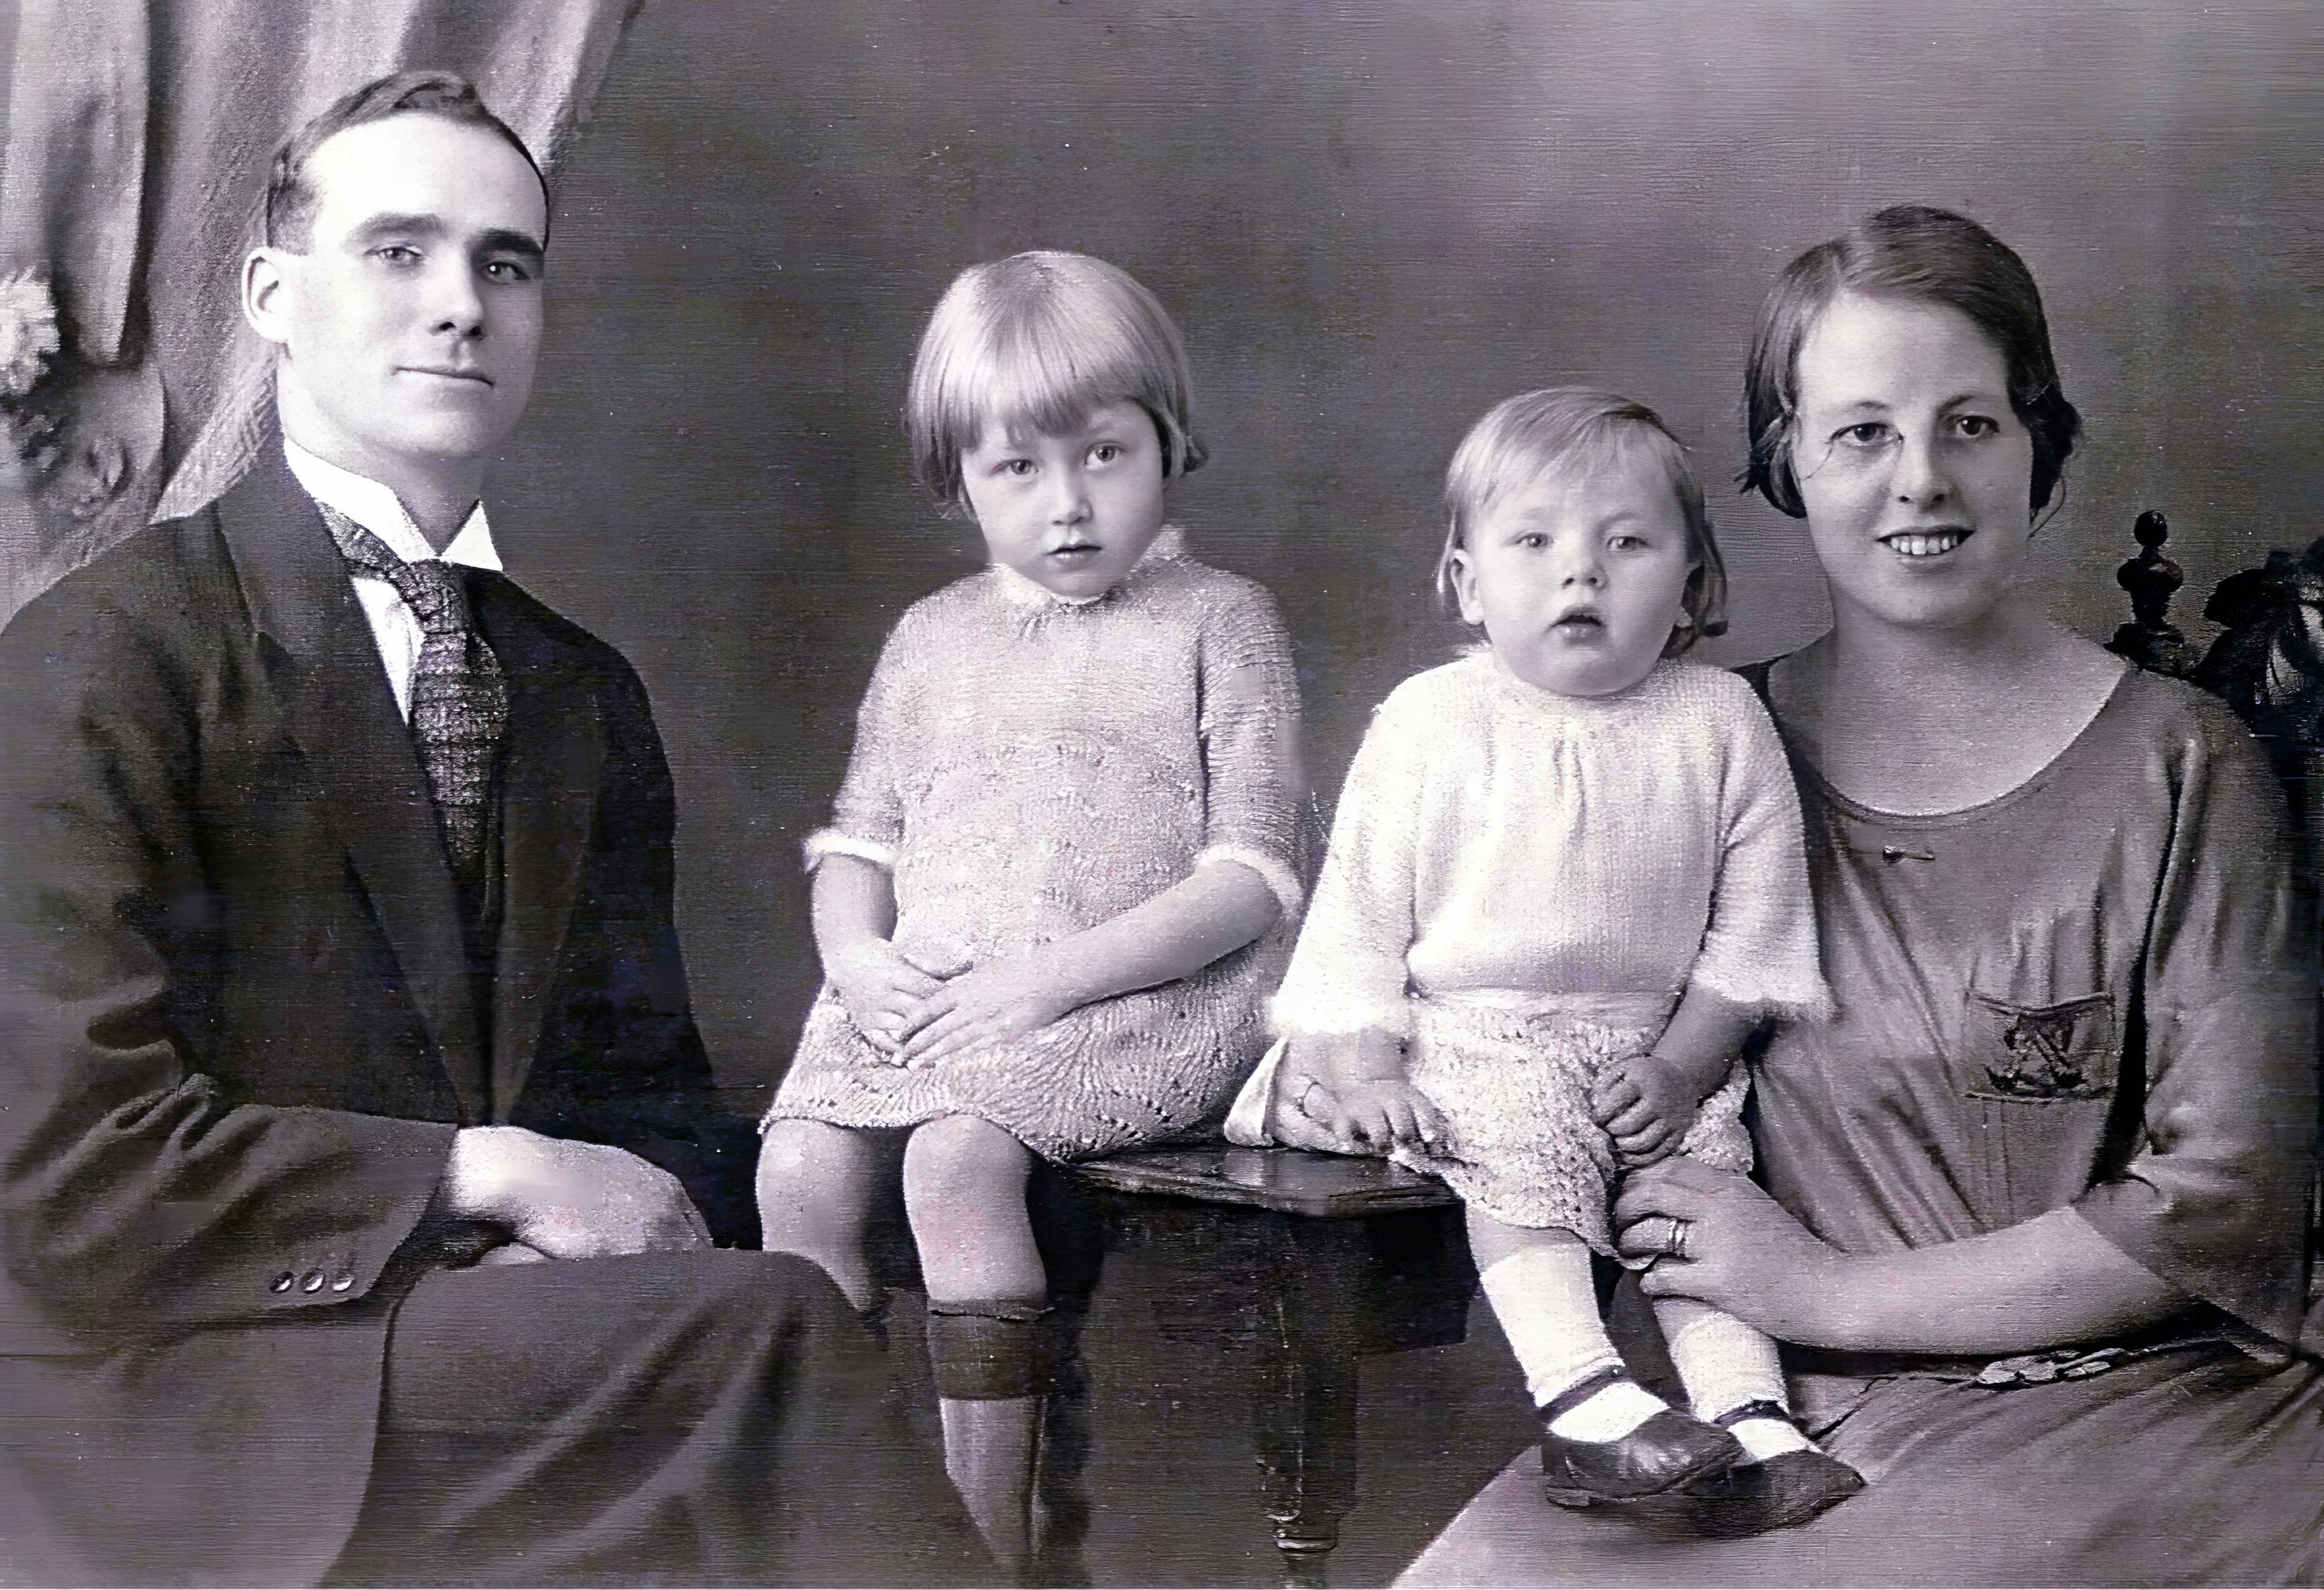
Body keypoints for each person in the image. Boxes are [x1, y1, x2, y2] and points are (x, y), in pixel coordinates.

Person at [0, 71, 985, 1587]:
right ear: (273, 296)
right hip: (173, 1386)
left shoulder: (580, 693)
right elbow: (66, 1161)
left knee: (756, 1341)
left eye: (504, 263)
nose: (460, 305)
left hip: (490, 1365)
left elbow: (654, 1114)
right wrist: (484, 1177)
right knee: (774, 1335)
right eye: (397, 251)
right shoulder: (96, 658)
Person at [1395, 207, 2323, 1586]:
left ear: (2038, 446)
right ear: (1786, 462)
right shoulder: (1686, 751)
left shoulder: (2182, 762)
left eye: (1969, 425)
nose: (1919, 482)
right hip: (1759, 1409)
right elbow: (1514, 1009)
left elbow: (2225, 1205)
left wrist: (1821, 1286)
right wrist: (1354, 1056)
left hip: (2139, 1411)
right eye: (1861, 433)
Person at [753, 249, 1306, 1576]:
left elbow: (1251, 876)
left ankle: (983, 1549)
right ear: (960, 481)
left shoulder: (1220, 621)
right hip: (947, 986)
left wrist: (1049, 981)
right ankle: (848, 1529)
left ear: (1168, 442)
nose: (1067, 504)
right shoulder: (930, 638)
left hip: (1148, 986)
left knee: (954, 1159)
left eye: (1104, 454)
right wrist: (857, 955)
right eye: (1018, 468)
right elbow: (857, 843)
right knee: (797, 1168)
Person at [1235, 388, 1858, 1534]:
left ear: (1694, 585)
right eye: (1533, 542)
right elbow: (1357, 924)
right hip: (1473, 1032)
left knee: (1700, 1180)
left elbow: (1755, 941)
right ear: (1468, 582)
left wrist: (1679, 1070)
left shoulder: (1719, 721)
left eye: (1627, 544)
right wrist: (1366, 1067)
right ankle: (1582, 1394)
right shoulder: (1430, 721)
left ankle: (1750, 1413)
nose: (1581, 572)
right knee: (1521, 1146)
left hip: (1654, 1042)